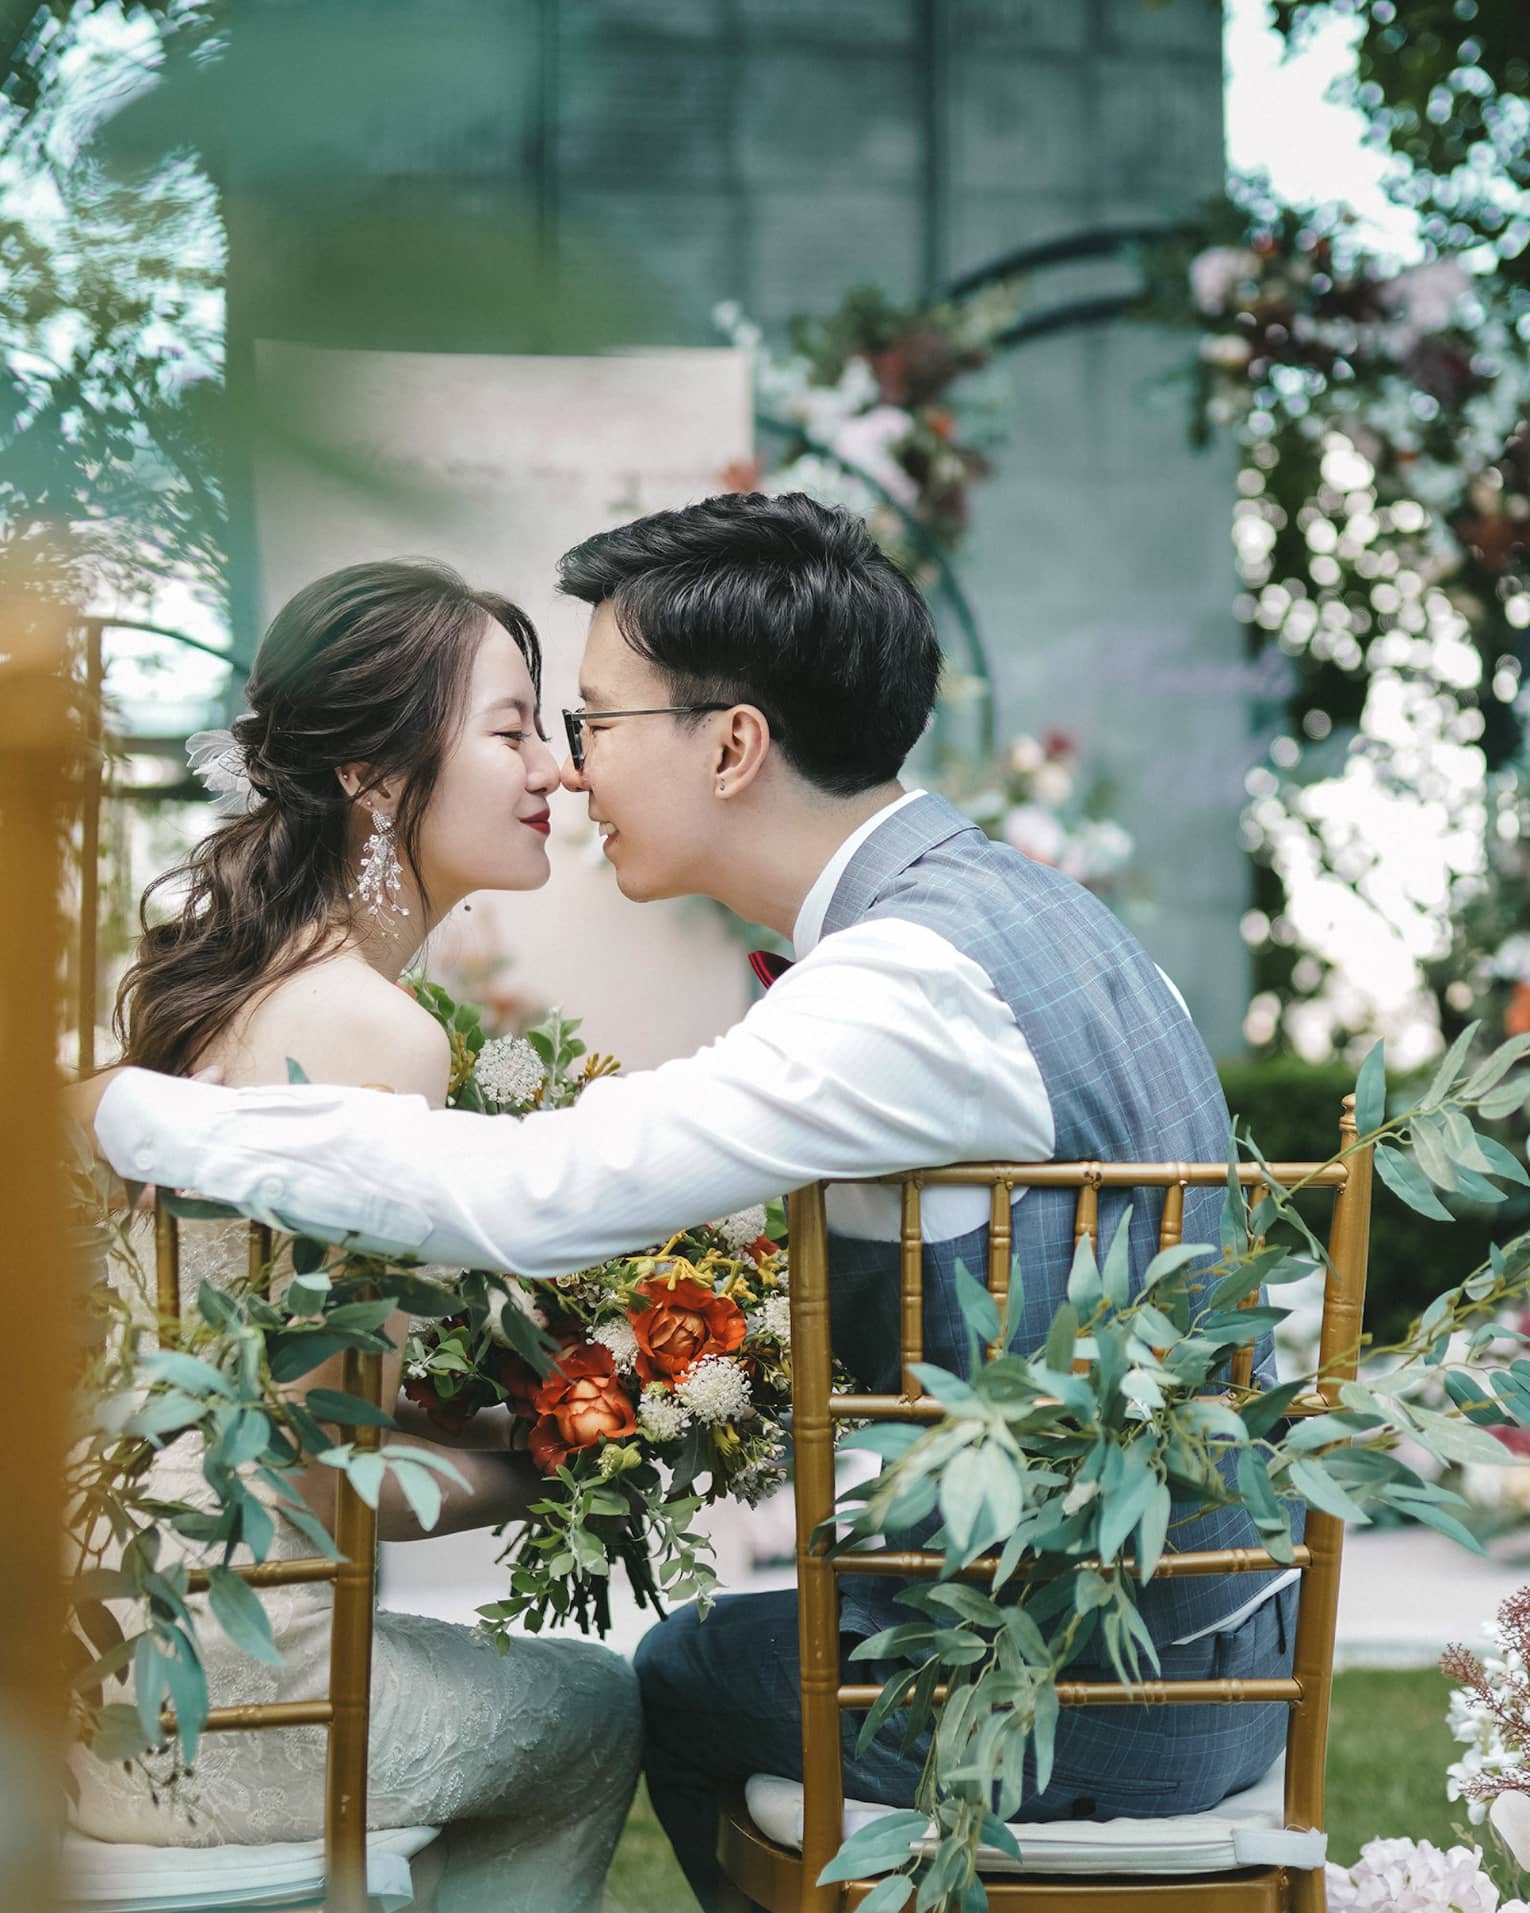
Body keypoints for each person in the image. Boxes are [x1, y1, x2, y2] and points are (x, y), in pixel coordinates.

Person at [93, 494, 1300, 1912]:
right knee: (700, 1654)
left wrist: (120, 1108)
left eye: (593, 722)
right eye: (536, 726)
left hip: (1071, 1684)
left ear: (731, 743)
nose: (571, 769)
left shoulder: (902, 982)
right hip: (1218, 1643)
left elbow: (539, 1190)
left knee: (679, 1670)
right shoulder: (1048, 923)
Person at [75, 560, 640, 1913]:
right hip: (244, 1712)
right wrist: (588, 1426)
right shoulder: (376, 1034)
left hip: (93, 1664)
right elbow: (352, 1474)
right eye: (511, 729)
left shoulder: (218, 989)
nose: (556, 772)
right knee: (596, 1702)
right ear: (378, 779)